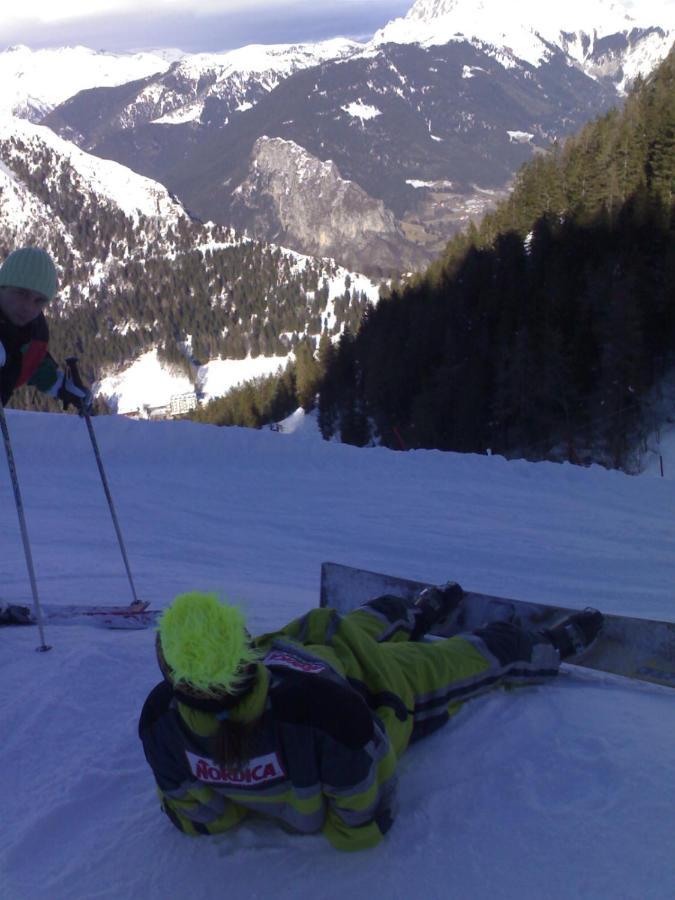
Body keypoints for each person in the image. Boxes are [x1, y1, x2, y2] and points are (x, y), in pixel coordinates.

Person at [139, 587, 603, 851]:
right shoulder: (330, 720)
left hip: (297, 658)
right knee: (460, 660)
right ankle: (545, 647)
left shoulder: (161, 721)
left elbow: (205, 817)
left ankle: (414, 611)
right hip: (370, 686)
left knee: (346, 624)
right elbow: (364, 818)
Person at [0, 246, 92, 411]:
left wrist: (63, 387)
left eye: (39, 301)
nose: (28, 307)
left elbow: (33, 364)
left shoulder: (32, 333)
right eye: (21, 293)